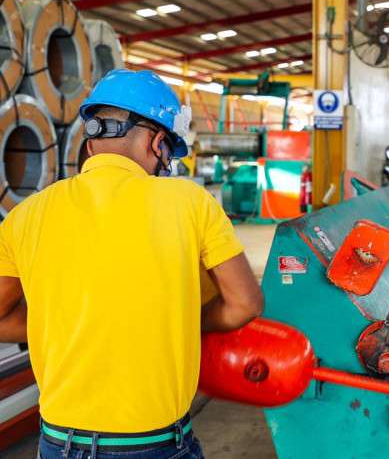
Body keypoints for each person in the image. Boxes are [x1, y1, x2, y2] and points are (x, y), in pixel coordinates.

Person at [0, 69, 264, 459]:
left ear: (91, 144)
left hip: (58, 443)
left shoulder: (26, 215)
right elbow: (245, 304)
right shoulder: (189, 203)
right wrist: (179, 316)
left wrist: (67, 317)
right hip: (151, 444)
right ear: (159, 143)